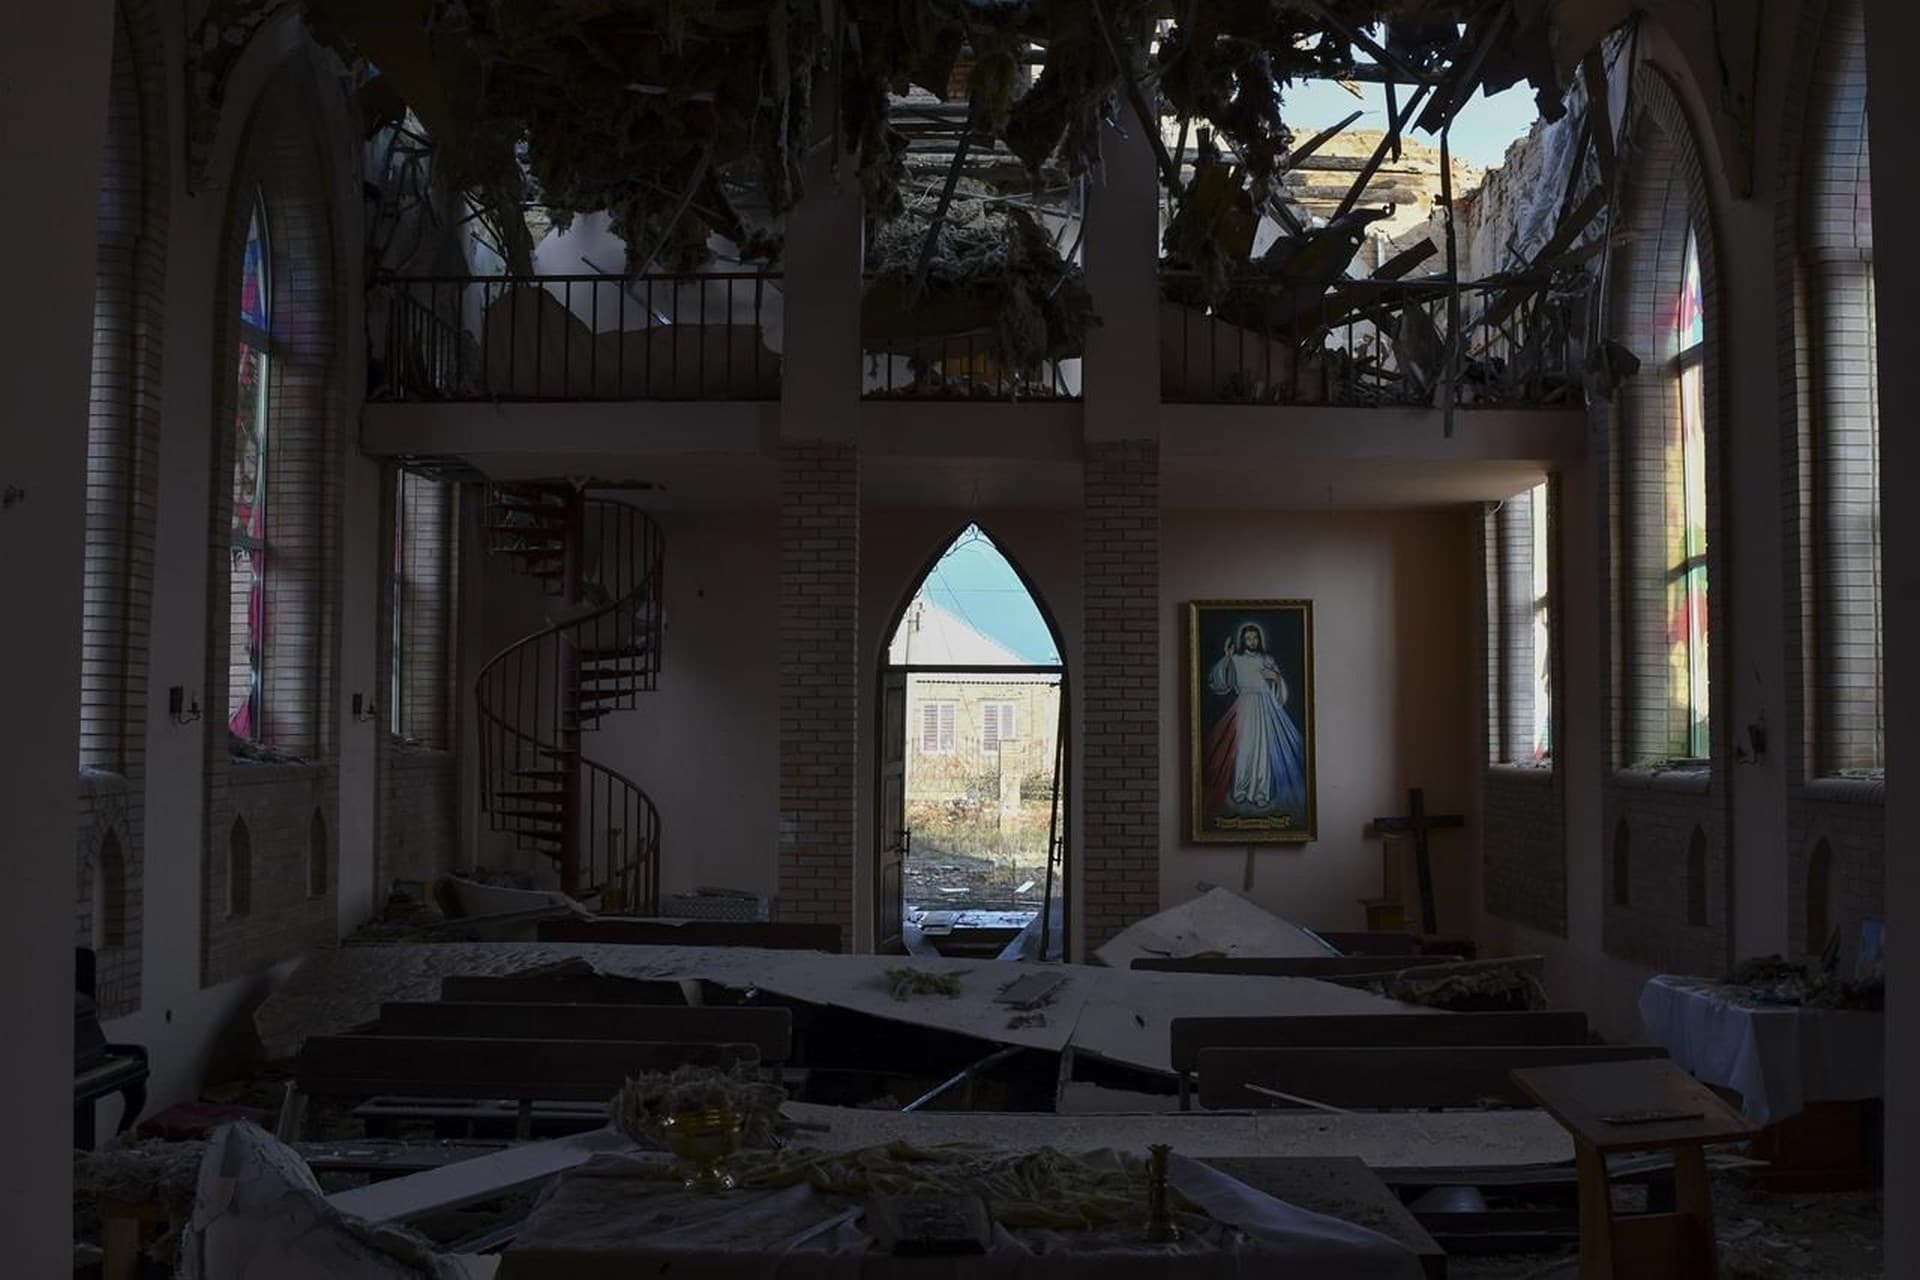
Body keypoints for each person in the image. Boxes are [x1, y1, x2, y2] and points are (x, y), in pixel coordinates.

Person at [1204, 622, 1307, 818]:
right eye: (1248, 638)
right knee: (1244, 749)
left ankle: (1261, 793)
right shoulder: (1236, 659)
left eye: (1254, 637)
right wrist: (1227, 658)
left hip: (1265, 708)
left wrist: (1275, 678)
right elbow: (1221, 682)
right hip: (1245, 706)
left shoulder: (1267, 659)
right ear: (1242, 640)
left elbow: (1278, 685)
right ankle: (1241, 790)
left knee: (1262, 751)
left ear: (1259, 639)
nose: (1251, 641)